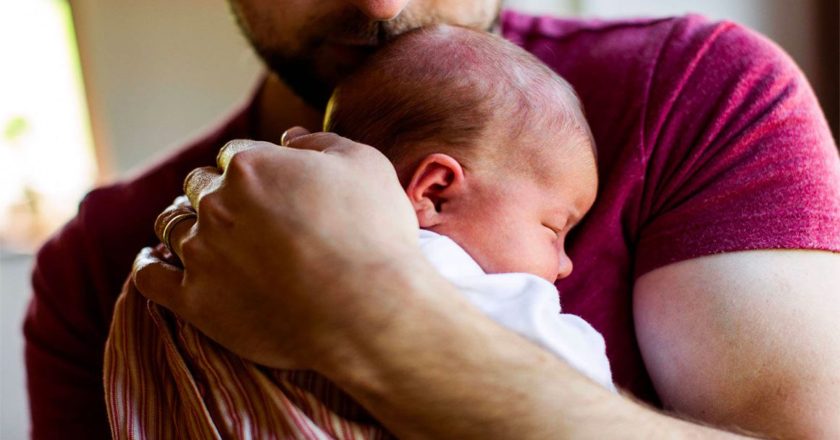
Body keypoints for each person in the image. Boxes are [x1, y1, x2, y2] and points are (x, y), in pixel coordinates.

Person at [24, 1, 840, 439]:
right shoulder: (98, 259)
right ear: (435, 189)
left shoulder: (700, 92)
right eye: (558, 231)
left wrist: (368, 312)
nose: (381, 5)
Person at [104, 26, 613, 439]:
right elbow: (582, 395)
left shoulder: (193, 242)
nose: (566, 263)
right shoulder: (467, 283)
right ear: (435, 192)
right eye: (554, 228)